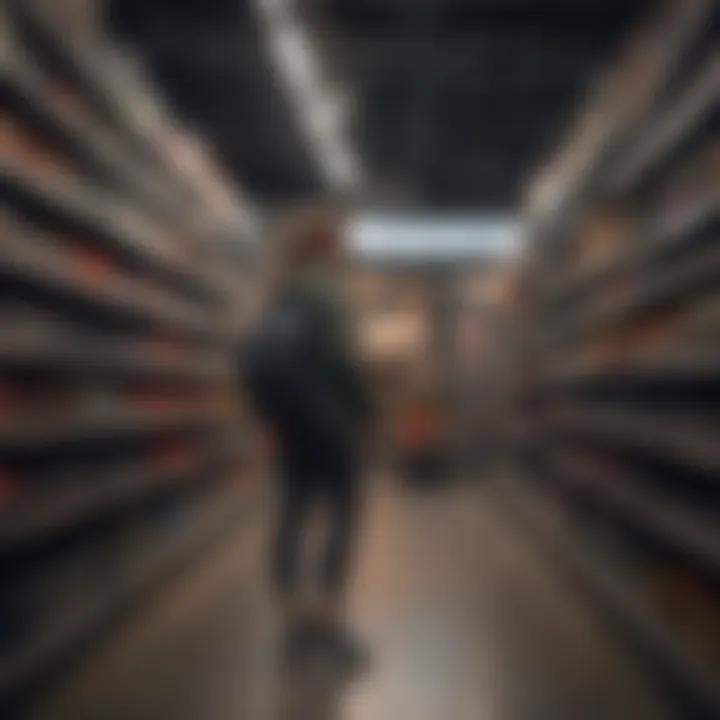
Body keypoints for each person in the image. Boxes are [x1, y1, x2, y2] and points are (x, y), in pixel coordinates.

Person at [243, 203, 374, 668]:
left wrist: (270, 421)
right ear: (328, 247)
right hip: (329, 423)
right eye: (342, 244)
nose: (346, 251)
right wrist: (365, 410)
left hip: (289, 425)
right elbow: (343, 360)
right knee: (343, 513)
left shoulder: (279, 294)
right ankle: (328, 622)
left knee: (293, 514)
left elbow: (253, 363)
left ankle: (292, 618)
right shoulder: (327, 292)